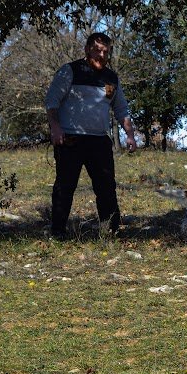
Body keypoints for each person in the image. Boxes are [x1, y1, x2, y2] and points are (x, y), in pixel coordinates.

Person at [44, 32, 137, 240]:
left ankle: (111, 231)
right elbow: (52, 101)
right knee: (65, 186)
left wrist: (130, 135)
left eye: (105, 51)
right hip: (70, 139)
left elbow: (121, 109)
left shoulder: (111, 78)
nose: (101, 55)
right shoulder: (70, 71)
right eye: (97, 50)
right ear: (87, 49)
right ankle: (58, 232)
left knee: (106, 188)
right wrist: (55, 128)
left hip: (99, 140)